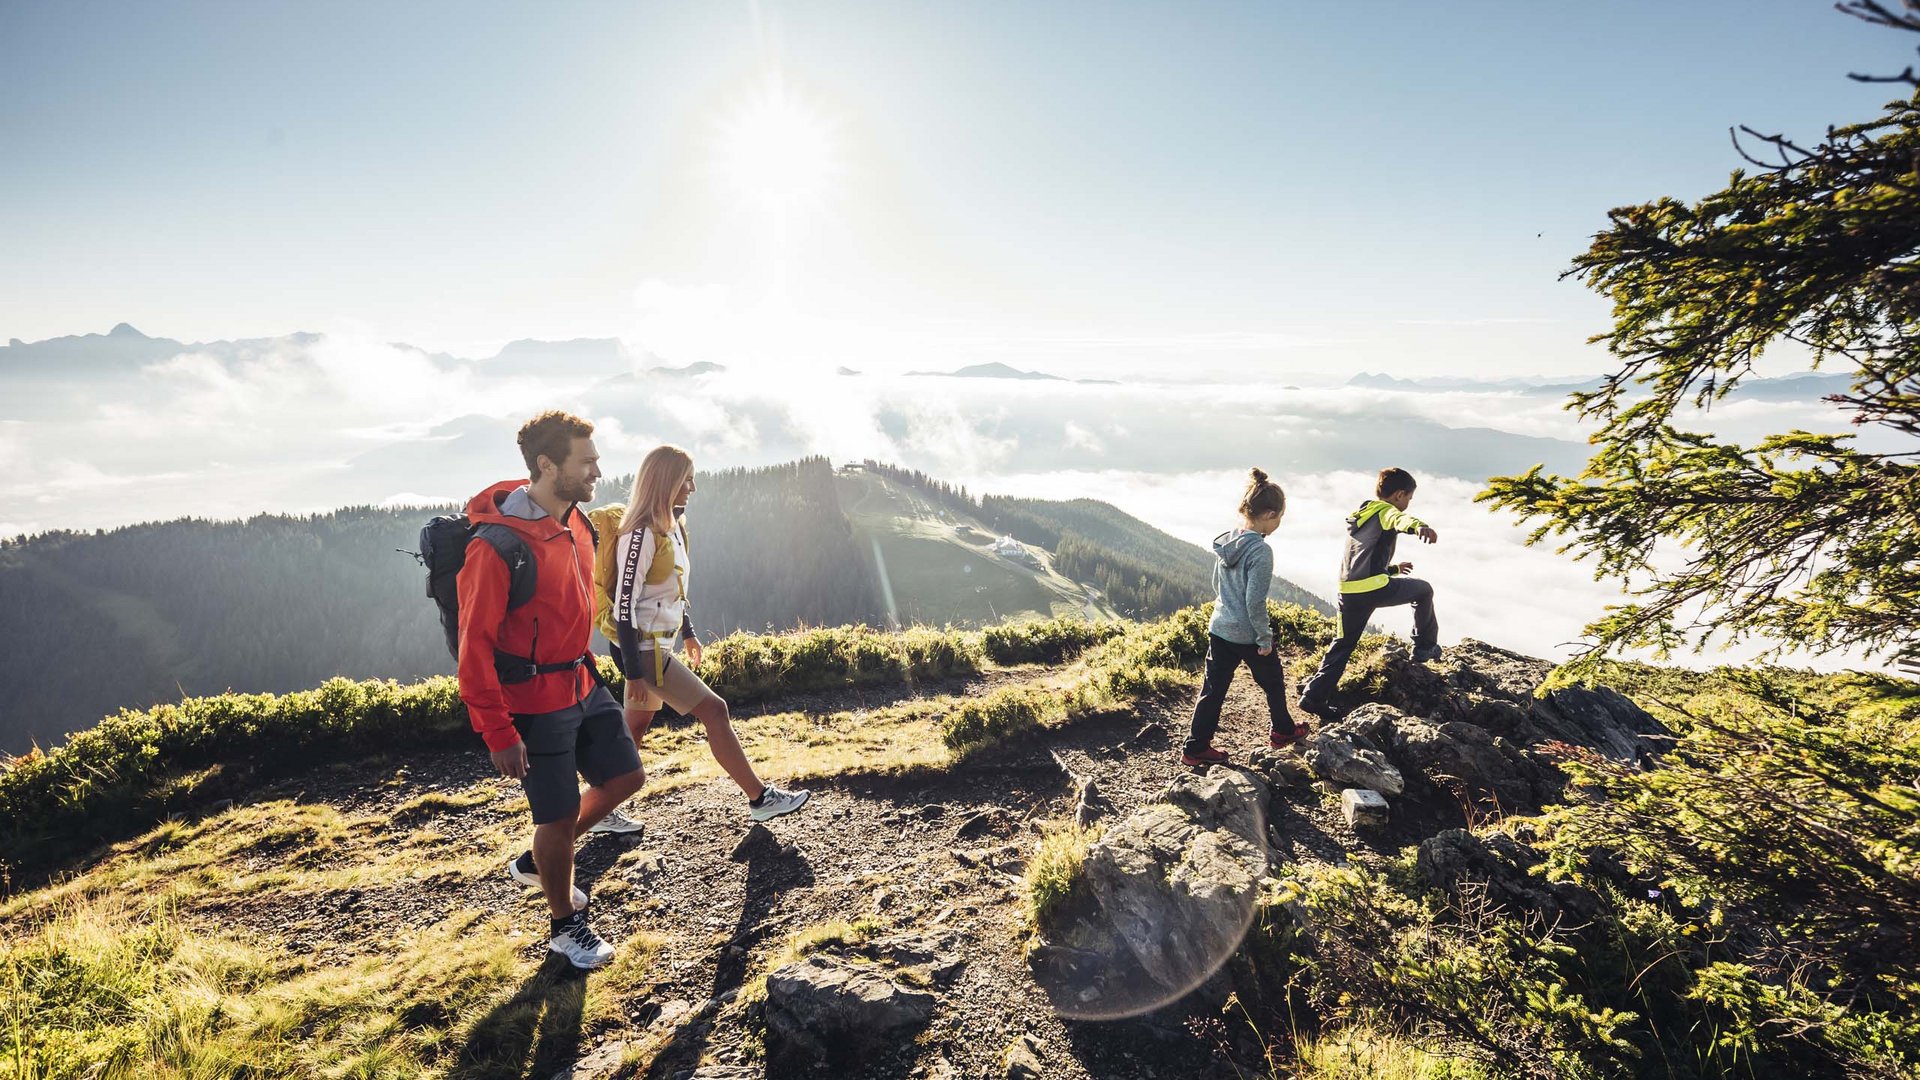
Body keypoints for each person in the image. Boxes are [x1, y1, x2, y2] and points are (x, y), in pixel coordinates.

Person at [457, 410, 642, 970]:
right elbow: (473, 650)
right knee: (556, 817)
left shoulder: (576, 521)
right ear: (545, 465)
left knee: (627, 777)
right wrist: (498, 732)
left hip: (582, 681)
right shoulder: (494, 548)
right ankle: (565, 925)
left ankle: (542, 859)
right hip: (534, 705)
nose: (596, 471)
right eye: (585, 462)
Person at [600, 444, 810, 822]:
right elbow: (624, 606)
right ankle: (760, 799)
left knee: (635, 727)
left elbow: (673, 591)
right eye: (687, 480)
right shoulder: (639, 533)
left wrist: (689, 633)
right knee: (715, 710)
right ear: (666, 482)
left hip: (656, 644)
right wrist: (633, 672)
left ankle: (599, 810)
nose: (692, 488)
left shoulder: (674, 525)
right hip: (642, 650)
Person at [1183, 468, 1305, 766]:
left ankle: (1195, 748)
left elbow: (1217, 585)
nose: (1278, 525)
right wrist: (1264, 637)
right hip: (1246, 633)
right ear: (1269, 514)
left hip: (1220, 626)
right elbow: (1254, 601)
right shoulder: (1260, 551)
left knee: (1213, 689)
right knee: (1273, 680)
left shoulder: (1228, 542)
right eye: (1279, 519)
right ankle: (1282, 731)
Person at [1297, 467, 1440, 718]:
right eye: (1408, 498)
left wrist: (1394, 568)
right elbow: (1399, 520)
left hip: (1348, 590)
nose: (1407, 503)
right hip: (1373, 589)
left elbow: (1364, 559)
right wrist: (1419, 526)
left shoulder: (1363, 515)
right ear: (1398, 495)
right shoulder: (1387, 511)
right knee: (1424, 591)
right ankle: (1424, 647)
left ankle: (1313, 697)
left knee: (1342, 645)